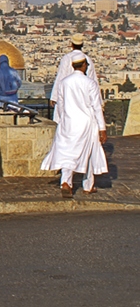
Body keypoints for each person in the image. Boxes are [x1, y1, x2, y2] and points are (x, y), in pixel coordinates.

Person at [41, 52, 108, 197]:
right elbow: (96, 107)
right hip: (86, 123)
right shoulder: (90, 83)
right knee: (89, 152)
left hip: (68, 122)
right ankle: (88, 185)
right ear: (84, 65)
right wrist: (102, 128)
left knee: (67, 153)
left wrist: (61, 121)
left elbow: (61, 104)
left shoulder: (64, 82)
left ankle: (66, 182)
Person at [50, 34, 101, 112]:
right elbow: (93, 79)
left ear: (72, 44)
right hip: (84, 97)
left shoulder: (67, 58)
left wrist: (54, 96)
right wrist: (99, 101)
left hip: (68, 95)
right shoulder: (87, 59)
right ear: (82, 45)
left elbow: (61, 76)